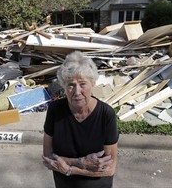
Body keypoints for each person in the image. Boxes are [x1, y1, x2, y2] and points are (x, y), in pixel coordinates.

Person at [42, 51, 119, 188]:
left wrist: (69, 169)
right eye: (71, 85)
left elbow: (109, 169)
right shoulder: (55, 110)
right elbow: (48, 157)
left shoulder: (106, 114)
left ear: (93, 84)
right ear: (64, 87)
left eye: (82, 84)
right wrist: (80, 162)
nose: (77, 92)